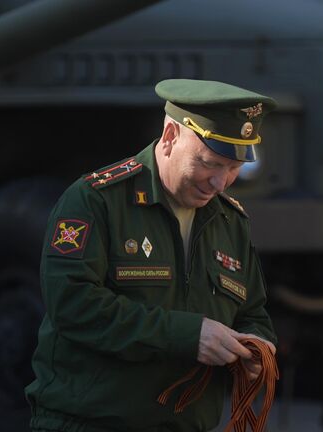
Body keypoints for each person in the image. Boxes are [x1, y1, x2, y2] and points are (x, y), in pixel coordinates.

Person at [25, 79, 278, 432]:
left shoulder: (230, 221)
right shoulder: (97, 200)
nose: (220, 182)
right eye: (209, 163)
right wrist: (188, 336)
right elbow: (73, 303)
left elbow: (252, 312)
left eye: (234, 168)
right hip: (91, 422)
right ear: (171, 135)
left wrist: (255, 348)